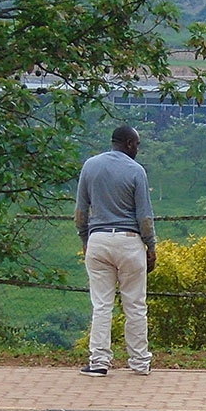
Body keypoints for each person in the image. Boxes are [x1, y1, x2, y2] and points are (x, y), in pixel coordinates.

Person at [74, 125, 156, 377]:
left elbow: (80, 212)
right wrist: (150, 245)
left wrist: (85, 238)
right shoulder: (135, 171)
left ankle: (98, 361)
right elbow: (144, 216)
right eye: (137, 145)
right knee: (134, 305)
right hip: (129, 241)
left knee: (101, 305)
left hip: (98, 240)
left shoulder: (90, 166)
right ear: (129, 143)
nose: (138, 150)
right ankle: (140, 362)